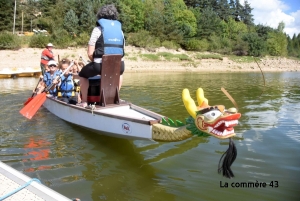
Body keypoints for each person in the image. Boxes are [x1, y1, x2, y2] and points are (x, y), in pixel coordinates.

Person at [78, 4, 125, 107]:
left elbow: (90, 53)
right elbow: (122, 50)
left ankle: (84, 101)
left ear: (100, 15)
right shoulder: (120, 31)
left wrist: (96, 64)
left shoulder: (97, 29)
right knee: (119, 74)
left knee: (82, 75)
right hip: (119, 66)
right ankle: (115, 97)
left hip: (100, 65)